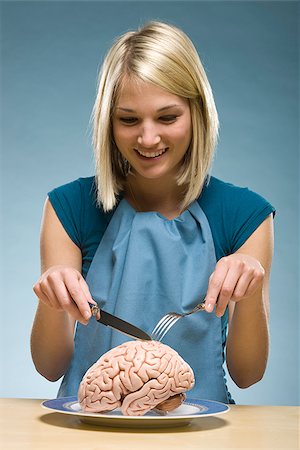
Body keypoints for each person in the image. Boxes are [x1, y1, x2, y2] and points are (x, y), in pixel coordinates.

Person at [31, 21, 275, 403]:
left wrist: (252, 292)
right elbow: (50, 365)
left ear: (198, 114)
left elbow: (248, 374)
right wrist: (50, 299)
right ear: (107, 123)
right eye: (128, 119)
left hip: (202, 434)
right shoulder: (69, 208)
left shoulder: (245, 215)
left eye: (167, 117)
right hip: (90, 432)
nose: (148, 138)